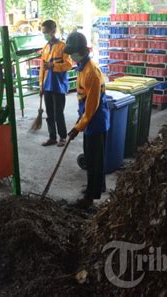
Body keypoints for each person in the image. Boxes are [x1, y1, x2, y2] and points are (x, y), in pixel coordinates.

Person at [65, 32, 110, 209]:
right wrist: (80, 116)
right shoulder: (82, 66)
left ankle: (90, 197)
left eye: (73, 52)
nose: (71, 56)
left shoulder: (91, 72)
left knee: (93, 160)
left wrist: (78, 127)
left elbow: (92, 107)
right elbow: (84, 99)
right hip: (88, 115)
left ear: (82, 51)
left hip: (95, 119)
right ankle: (99, 185)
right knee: (94, 157)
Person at [39, 20, 73, 147]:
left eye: (46, 32)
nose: (45, 35)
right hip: (47, 85)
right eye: (43, 32)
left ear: (53, 31)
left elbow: (69, 65)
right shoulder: (46, 48)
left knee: (59, 113)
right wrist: (41, 85)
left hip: (58, 85)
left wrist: (53, 65)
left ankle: (63, 137)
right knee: (49, 114)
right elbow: (42, 68)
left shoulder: (63, 47)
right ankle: (52, 137)